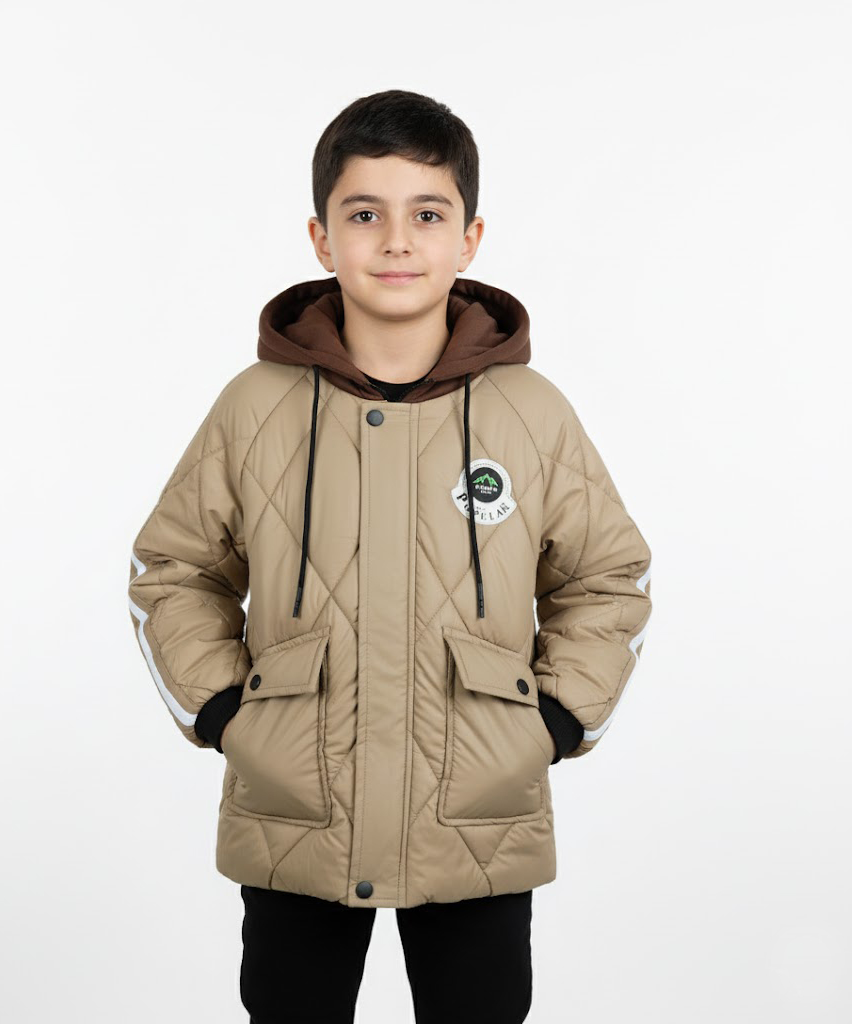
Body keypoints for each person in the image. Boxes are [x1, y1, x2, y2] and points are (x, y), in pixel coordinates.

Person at [127, 88, 653, 1024]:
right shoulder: (256, 406)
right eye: (365, 214)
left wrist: (555, 722)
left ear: (470, 238)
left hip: (478, 811)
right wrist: (222, 712)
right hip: (297, 806)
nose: (397, 241)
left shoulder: (531, 414)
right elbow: (174, 570)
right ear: (322, 238)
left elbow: (607, 578)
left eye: (428, 215)